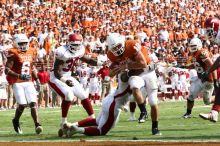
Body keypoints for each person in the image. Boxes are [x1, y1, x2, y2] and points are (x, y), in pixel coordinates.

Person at [48, 33, 103, 136]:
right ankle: (63, 122)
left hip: (68, 76)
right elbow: (57, 71)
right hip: (56, 78)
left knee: (83, 95)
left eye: (78, 45)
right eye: (74, 45)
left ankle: (92, 119)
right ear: (68, 43)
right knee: (69, 95)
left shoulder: (80, 49)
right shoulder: (62, 52)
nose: (76, 47)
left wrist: (101, 63)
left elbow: (87, 60)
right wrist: (65, 81)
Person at [106, 33, 161, 135]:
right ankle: (143, 111)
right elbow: (110, 73)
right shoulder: (111, 54)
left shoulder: (132, 44)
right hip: (136, 74)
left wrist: (126, 66)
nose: (117, 49)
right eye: (114, 48)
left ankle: (155, 127)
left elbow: (142, 64)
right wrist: (115, 70)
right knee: (134, 86)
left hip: (148, 71)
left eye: (118, 45)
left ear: (122, 42)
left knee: (153, 102)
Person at [63, 71, 134, 137]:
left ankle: (72, 125)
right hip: (114, 105)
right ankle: (77, 130)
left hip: (109, 99)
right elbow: (125, 78)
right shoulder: (129, 76)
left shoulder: (127, 74)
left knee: (97, 121)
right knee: (101, 131)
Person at [4, 34, 43, 134]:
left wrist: (37, 79)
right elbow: (7, 70)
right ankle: (16, 120)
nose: (23, 45)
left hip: (29, 81)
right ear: (16, 43)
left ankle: (37, 124)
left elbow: (32, 67)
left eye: (25, 43)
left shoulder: (31, 51)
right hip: (17, 82)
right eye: (21, 43)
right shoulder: (13, 52)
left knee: (33, 103)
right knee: (22, 104)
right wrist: (19, 76)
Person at [182, 37, 217, 119]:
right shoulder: (194, 54)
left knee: (207, 101)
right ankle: (188, 113)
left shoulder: (202, 52)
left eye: (194, 46)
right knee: (191, 95)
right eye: (191, 46)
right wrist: (184, 66)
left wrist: (215, 80)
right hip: (200, 79)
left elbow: (212, 65)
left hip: (208, 80)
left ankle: (218, 98)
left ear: (198, 45)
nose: (192, 47)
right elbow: (196, 65)